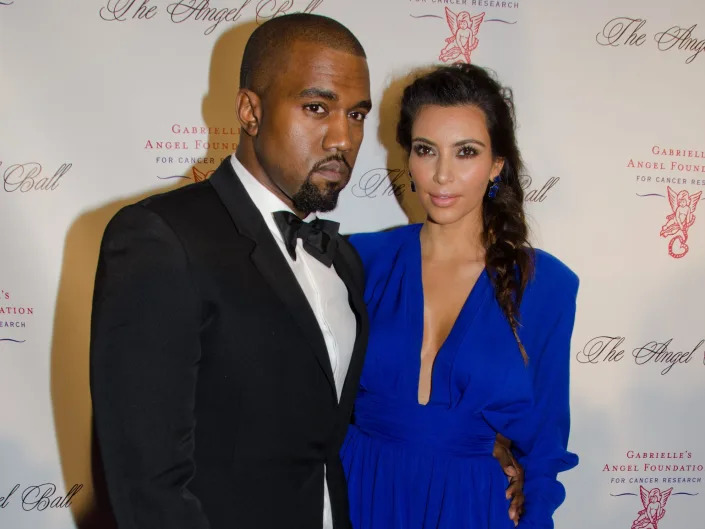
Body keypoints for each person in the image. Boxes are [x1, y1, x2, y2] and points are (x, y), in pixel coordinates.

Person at [90, 14, 523, 529]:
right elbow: (147, 486)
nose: (342, 137)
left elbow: (335, 419)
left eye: (357, 114)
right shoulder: (162, 238)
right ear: (250, 111)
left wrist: (483, 445)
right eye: (316, 108)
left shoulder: (344, 262)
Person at [340, 63, 579, 529]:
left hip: (470, 508)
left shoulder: (545, 285)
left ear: (496, 164)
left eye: (465, 152)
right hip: (357, 492)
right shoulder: (359, 261)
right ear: (408, 158)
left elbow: (545, 447)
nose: (442, 175)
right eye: (426, 150)